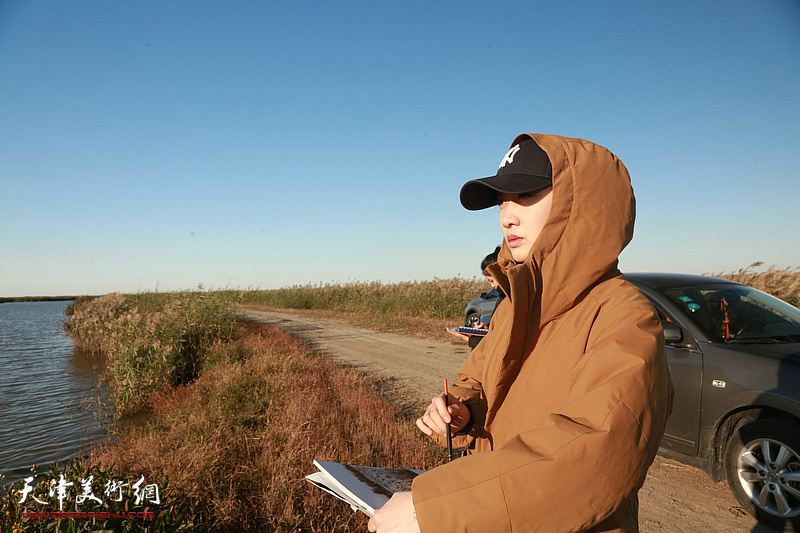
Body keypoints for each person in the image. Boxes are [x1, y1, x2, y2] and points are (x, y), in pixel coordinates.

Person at [368, 133, 674, 532]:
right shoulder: (516, 305)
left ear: (578, 203)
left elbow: (590, 456)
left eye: (525, 195)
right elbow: (475, 379)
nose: (506, 215)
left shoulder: (624, 317)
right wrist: (461, 410)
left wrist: (432, 510)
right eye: (500, 201)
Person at [447, 246, 504, 348]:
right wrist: (487, 329)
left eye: (492, 280)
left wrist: (468, 339)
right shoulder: (502, 299)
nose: (492, 286)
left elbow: (499, 343)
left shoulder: (508, 301)